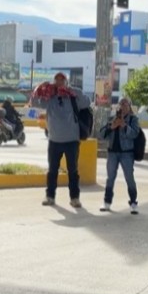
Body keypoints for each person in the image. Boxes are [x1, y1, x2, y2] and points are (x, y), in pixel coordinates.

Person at [30, 72, 92, 208]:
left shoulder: (73, 96)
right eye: (57, 80)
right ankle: (50, 196)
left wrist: (73, 92)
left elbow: (87, 102)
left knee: (73, 171)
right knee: (52, 171)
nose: (59, 82)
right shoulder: (50, 97)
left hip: (72, 140)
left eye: (62, 80)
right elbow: (34, 103)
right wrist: (38, 90)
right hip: (54, 140)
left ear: (66, 82)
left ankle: (75, 198)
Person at [99, 96, 140, 214]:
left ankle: (133, 202)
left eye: (125, 104)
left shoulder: (133, 119)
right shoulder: (112, 118)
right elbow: (102, 134)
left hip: (127, 153)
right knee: (110, 178)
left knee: (129, 178)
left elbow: (134, 134)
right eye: (121, 104)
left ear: (129, 106)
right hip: (112, 153)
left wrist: (124, 125)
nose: (123, 106)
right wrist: (111, 127)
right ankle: (107, 202)